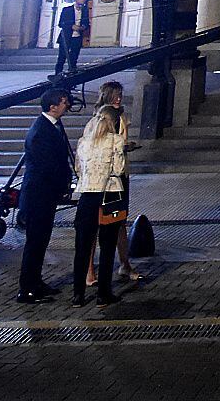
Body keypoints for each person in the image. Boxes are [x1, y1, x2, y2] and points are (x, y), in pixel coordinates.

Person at [15, 87, 72, 304]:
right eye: (63, 101)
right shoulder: (41, 131)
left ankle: (36, 282)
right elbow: (47, 165)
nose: (66, 105)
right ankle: (27, 288)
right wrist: (62, 184)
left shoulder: (53, 126)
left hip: (46, 194)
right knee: (35, 243)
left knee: (41, 241)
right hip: (39, 195)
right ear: (52, 106)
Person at [71, 93, 127, 307]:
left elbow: (78, 169)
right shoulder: (116, 140)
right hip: (110, 195)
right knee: (108, 244)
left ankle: (78, 295)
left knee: (83, 247)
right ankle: (104, 293)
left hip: (86, 197)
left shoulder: (83, 142)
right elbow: (119, 169)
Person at [85, 82, 141, 289]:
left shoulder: (121, 117)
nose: (118, 99)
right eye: (115, 95)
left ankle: (124, 263)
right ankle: (90, 269)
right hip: (103, 180)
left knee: (119, 221)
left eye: (120, 95)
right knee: (98, 224)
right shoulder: (99, 119)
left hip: (120, 177)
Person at [55, 0, 92, 77]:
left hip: (77, 38)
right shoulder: (66, 10)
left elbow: (86, 23)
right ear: (76, 1)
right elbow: (61, 23)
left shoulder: (85, 11)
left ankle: (72, 77)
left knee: (73, 59)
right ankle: (57, 76)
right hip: (66, 37)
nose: (81, 6)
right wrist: (72, 26)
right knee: (62, 58)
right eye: (79, 4)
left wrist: (83, 27)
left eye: (83, 4)